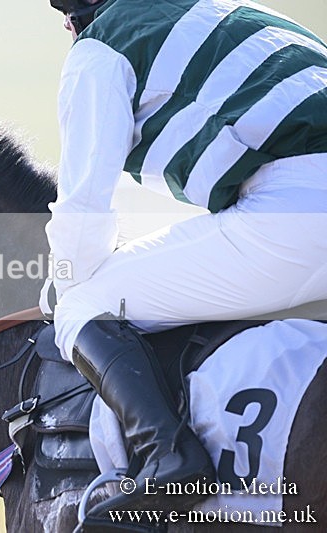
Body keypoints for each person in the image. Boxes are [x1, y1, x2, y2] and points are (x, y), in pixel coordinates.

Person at [44, 0, 327, 519]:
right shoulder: (229, 12)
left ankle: (168, 458)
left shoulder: (101, 47)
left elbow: (83, 218)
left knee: (85, 302)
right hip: (299, 202)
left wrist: (60, 285)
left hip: (300, 214)